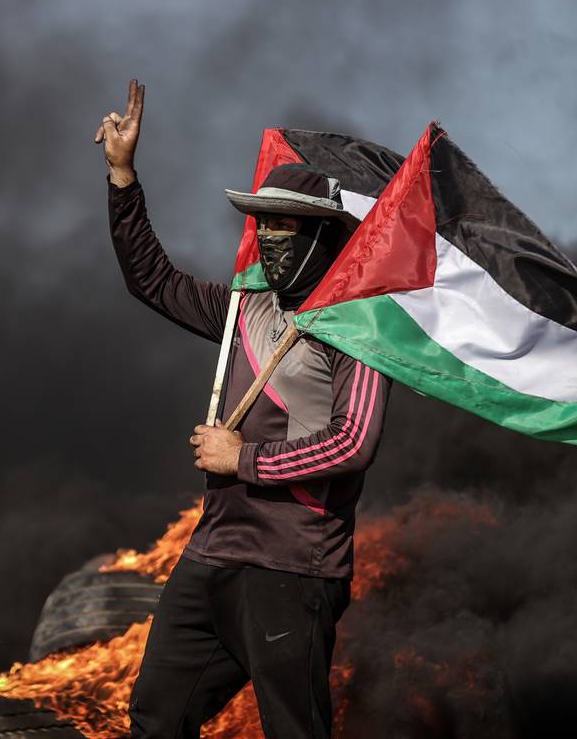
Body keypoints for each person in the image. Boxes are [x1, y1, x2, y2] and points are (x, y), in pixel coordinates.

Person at [95, 79, 391, 738]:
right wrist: (123, 178)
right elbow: (152, 280)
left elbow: (353, 444)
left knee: (294, 729)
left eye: (284, 222)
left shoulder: (361, 330)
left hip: (293, 566)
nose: (268, 233)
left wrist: (244, 458)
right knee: (156, 717)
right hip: (212, 556)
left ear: (322, 236)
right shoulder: (242, 307)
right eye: (263, 220)